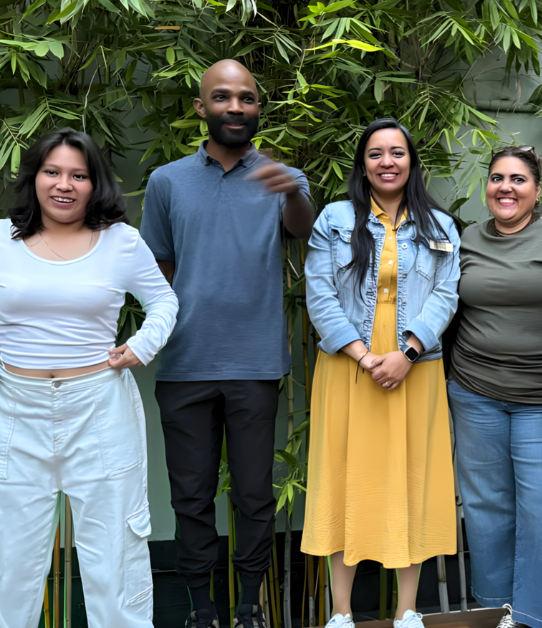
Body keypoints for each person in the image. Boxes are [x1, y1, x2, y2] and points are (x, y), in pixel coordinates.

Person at [0, 128, 179, 628]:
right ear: (34, 177)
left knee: (115, 548)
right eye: (52, 172)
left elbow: (164, 301)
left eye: (78, 175)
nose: (63, 184)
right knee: (5, 553)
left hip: (101, 407)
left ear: (95, 184)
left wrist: (142, 344)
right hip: (12, 410)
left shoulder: (122, 243)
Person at [139, 59, 314, 628]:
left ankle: (251, 608)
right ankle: (201, 610)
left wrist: (291, 190)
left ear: (258, 107)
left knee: (254, 495)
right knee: (189, 496)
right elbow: (156, 268)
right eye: (222, 97)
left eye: (246, 98)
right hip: (184, 363)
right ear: (201, 107)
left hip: (255, 362)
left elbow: (305, 233)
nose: (235, 107)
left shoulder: (284, 177)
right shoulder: (167, 182)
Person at [302, 118, 461, 628]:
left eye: (397, 152)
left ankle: (408, 610)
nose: (387, 162)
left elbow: (446, 293)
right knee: (344, 480)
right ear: (362, 163)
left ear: (411, 161)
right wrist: (365, 356)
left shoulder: (439, 225)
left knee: (412, 479)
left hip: (416, 372)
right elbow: (319, 292)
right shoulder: (334, 218)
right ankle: (342, 612)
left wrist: (406, 353)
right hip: (349, 372)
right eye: (375, 153)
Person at [446, 146, 542, 628]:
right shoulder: (466, 238)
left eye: (518, 180)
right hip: (473, 389)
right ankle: (495, 610)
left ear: (537, 189)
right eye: (497, 178)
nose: (506, 188)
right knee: (486, 506)